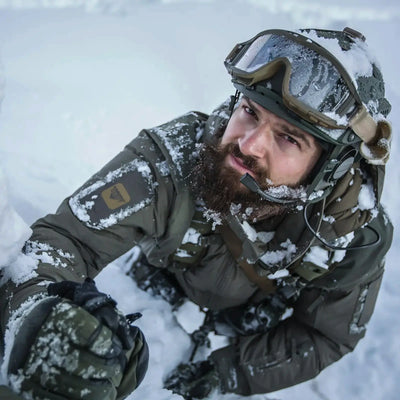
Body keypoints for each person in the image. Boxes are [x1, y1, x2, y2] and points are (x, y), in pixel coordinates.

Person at [0, 27, 393, 399]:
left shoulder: (354, 233)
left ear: (332, 168)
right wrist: (37, 314)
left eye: (289, 138)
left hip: (251, 325)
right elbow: (65, 241)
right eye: (250, 112)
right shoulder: (174, 158)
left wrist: (230, 371)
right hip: (165, 276)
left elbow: (326, 335)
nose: (249, 145)